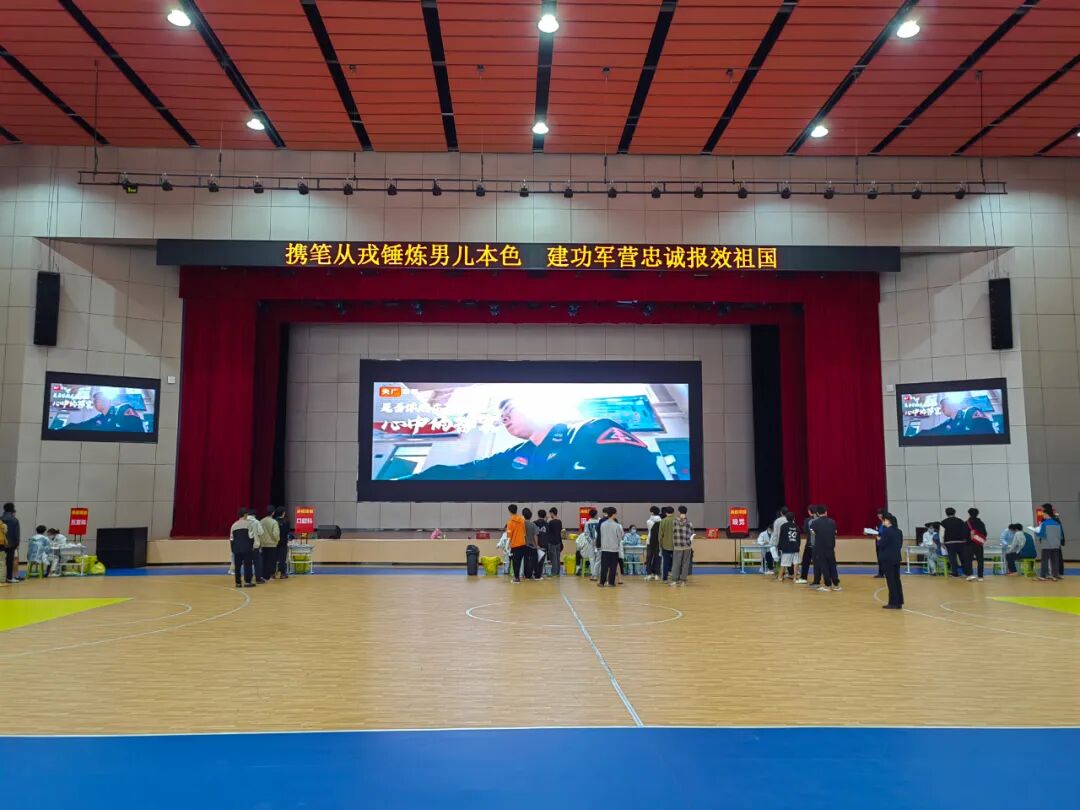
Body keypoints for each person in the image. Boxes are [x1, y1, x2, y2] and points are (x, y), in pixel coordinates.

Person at [405, 398, 664, 481]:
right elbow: (466, 471)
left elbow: (643, 472)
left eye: (509, 410)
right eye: (501, 416)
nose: (504, 418)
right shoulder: (515, 454)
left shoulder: (592, 429)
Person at [61, 387, 145, 433]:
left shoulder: (123, 408)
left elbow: (135, 427)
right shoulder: (99, 417)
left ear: (107, 400)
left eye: (98, 399)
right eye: (94, 401)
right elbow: (81, 426)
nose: (95, 402)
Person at [229, 508, 261, 588]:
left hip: (237, 549)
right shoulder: (249, 524)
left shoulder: (234, 525)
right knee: (248, 565)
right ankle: (247, 582)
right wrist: (252, 546)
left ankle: (238, 583)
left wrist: (233, 549)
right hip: (247, 548)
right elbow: (251, 537)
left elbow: (231, 539)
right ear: (245, 515)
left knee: (237, 567)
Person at [878, 512, 904, 609]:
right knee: (897, 580)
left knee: (891, 581)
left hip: (888, 559)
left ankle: (893, 602)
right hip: (896, 558)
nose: (883, 522)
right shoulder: (899, 531)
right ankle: (899, 601)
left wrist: (879, 539)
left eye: (884, 520)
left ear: (887, 521)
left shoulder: (886, 532)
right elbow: (900, 544)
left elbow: (881, 544)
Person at [1032, 503, 1063, 581]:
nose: (1043, 516)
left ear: (1046, 514)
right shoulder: (1057, 523)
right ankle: (1055, 575)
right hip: (1056, 545)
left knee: (1045, 561)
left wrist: (1036, 531)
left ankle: (1043, 575)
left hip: (1047, 545)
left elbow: (1042, 535)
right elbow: (1060, 535)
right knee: (1055, 560)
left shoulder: (1044, 524)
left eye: (1043, 514)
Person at [812, 505, 840, 591]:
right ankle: (836, 585)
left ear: (817, 513)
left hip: (820, 548)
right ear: (826, 512)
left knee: (824, 567)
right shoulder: (832, 522)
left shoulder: (814, 523)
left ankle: (828, 585)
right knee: (832, 566)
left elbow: (813, 534)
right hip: (830, 547)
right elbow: (835, 533)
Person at [940, 507, 971, 579]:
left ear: (946, 513)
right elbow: (965, 530)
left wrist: (942, 542)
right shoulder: (960, 521)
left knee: (952, 558)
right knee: (963, 558)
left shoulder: (943, 522)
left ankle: (955, 574)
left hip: (949, 542)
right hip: (961, 542)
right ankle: (966, 573)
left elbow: (941, 533)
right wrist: (966, 539)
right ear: (954, 512)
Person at [597, 506, 622, 587]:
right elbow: (620, 537)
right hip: (614, 548)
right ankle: (611, 582)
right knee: (613, 566)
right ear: (613, 514)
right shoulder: (617, 525)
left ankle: (602, 582)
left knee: (604, 566)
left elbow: (601, 535)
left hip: (604, 548)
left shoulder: (603, 524)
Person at [669, 506, 694, 586]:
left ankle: (674, 580)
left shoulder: (674, 522)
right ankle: (683, 581)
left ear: (679, 512)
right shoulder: (690, 523)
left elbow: (672, 532)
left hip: (677, 546)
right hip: (687, 546)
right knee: (685, 564)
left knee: (676, 563)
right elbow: (692, 534)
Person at [775, 511, 800, 583]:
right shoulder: (796, 526)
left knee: (783, 563)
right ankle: (795, 578)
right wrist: (798, 546)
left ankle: (780, 577)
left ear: (786, 518)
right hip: (795, 547)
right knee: (796, 562)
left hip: (787, 547)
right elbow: (798, 538)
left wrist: (780, 547)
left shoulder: (783, 526)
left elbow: (781, 537)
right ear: (794, 518)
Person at [505, 504, 527, 583]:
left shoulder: (510, 522)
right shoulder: (522, 520)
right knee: (520, 561)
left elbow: (509, 536)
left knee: (515, 562)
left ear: (509, 511)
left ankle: (516, 578)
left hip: (515, 545)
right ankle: (519, 576)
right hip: (523, 543)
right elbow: (524, 533)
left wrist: (507, 546)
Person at [259, 506, 280, 583]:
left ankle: (264, 576)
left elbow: (259, 533)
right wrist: (276, 541)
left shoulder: (261, 521)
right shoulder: (274, 522)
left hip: (263, 544)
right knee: (272, 561)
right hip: (272, 544)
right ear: (273, 513)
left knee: (264, 561)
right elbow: (276, 534)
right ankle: (271, 576)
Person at [966, 507, 988, 581]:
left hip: (969, 544)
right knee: (980, 560)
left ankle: (970, 575)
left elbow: (963, 534)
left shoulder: (967, 523)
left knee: (969, 560)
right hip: (979, 544)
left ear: (969, 513)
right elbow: (985, 533)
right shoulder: (981, 523)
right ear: (977, 514)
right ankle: (980, 576)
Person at [797, 505, 816, 584]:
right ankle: (818, 579)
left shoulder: (808, 520)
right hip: (819, 545)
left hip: (810, 544)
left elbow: (805, 530)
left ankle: (803, 578)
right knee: (818, 563)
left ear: (809, 511)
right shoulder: (819, 519)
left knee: (805, 562)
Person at [2, 503, 20, 584]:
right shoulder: (14, 520)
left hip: (1, 543)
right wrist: (17, 543)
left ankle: (1, 577)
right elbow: (16, 533)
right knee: (10, 561)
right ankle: (9, 577)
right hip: (11, 544)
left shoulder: (0, 518)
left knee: (1, 561)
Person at [521, 508, 540, 580]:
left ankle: (527, 575)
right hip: (532, 545)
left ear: (523, 515)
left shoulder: (521, 525)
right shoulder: (533, 525)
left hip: (524, 545)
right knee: (534, 560)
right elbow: (535, 535)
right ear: (531, 516)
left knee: (526, 560)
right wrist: (536, 545)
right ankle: (537, 575)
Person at [658, 506, 676, 581]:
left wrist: (660, 544)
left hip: (665, 545)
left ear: (666, 513)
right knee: (676, 562)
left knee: (665, 562)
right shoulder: (677, 520)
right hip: (676, 545)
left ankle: (665, 578)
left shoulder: (663, 521)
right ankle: (675, 577)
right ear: (673, 512)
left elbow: (660, 535)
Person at [581, 508, 600, 579]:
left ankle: (593, 574)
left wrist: (591, 541)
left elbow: (586, 534)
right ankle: (597, 573)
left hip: (591, 543)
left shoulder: (587, 523)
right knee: (598, 558)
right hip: (599, 542)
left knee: (592, 558)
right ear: (595, 515)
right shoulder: (600, 522)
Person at [644, 506, 662, 581]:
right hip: (658, 542)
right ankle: (657, 574)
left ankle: (649, 574)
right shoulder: (661, 521)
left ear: (652, 512)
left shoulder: (648, 521)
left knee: (649, 558)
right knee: (657, 558)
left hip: (650, 542)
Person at [769, 507, 788, 573]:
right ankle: (788, 571)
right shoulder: (790, 519)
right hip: (789, 541)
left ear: (781, 513)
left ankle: (780, 572)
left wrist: (774, 543)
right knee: (788, 556)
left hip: (780, 541)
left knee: (780, 557)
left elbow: (775, 533)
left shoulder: (777, 521)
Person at [546, 507, 564, 577]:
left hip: (552, 542)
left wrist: (546, 520)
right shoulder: (560, 522)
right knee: (557, 557)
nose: (550, 515)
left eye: (550, 513)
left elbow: (547, 530)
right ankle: (557, 572)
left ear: (552, 513)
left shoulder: (551, 522)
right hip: (558, 541)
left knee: (553, 558)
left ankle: (554, 572)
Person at [273, 507, 290, 578]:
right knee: (282, 559)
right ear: (283, 513)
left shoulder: (274, 521)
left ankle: (273, 574)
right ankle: (282, 574)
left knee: (274, 558)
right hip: (283, 542)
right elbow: (287, 531)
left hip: (275, 542)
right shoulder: (286, 521)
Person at [871, 508, 887, 578]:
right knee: (879, 558)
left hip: (883, 543)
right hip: (878, 543)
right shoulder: (879, 523)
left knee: (884, 559)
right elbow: (877, 532)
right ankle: (880, 573)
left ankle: (886, 572)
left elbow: (886, 533)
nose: (879, 515)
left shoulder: (885, 523)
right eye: (878, 514)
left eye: (880, 514)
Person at [534, 509, 549, 578]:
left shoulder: (534, 523)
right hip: (544, 545)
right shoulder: (547, 524)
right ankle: (539, 575)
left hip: (535, 545)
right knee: (541, 561)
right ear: (545, 515)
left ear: (538, 515)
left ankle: (534, 573)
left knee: (534, 560)